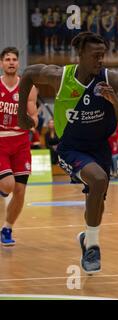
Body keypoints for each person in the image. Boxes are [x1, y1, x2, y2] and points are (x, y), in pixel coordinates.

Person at [18, 32, 118, 273]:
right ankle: (93, 247)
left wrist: (114, 100)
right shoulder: (60, 77)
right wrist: (22, 114)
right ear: (80, 55)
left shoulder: (110, 79)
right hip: (71, 147)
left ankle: (86, 238)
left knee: (98, 202)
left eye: (103, 55)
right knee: (98, 179)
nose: (100, 60)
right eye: (95, 56)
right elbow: (28, 73)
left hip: (100, 147)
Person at [0, 47, 38, 246]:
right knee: (8, 184)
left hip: (21, 141)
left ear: (18, 63)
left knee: (20, 190)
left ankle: (7, 228)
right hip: (1, 140)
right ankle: (2, 186)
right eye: (7, 59)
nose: (11, 62)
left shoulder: (28, 87)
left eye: (14, 59)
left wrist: (31, 121)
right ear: (1, 63)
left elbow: (34, 118)